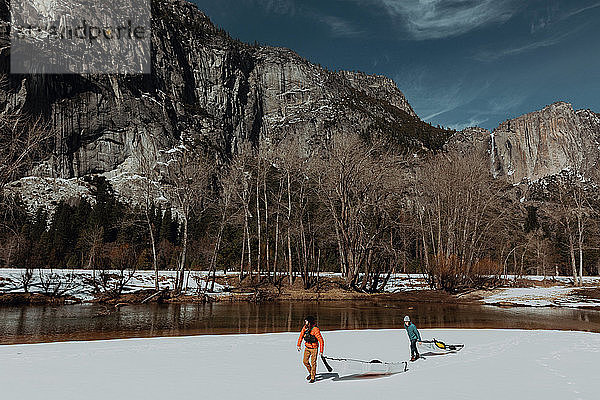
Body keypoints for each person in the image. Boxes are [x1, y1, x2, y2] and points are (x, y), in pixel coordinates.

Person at [297, 316, 324, 383]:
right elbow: (301, 335)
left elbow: (321, 340)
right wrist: (298, 345)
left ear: (309, 322)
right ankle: (311, 372)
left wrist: (321, 351)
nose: (305, 322)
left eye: (306, 321)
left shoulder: (315, 329)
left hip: (314, 348)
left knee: (313, 363)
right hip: (307, 347)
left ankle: (312, 377)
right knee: (305, 361)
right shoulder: (305, 328)